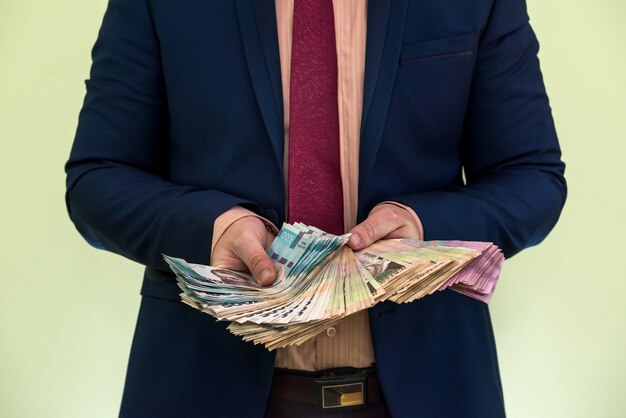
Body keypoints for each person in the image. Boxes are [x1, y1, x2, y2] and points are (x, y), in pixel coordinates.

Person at [65, 0, 566, 417]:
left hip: (430, 390)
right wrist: (213, 227)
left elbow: (532, 177)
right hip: (200, 387)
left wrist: (422, 224)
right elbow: (98, 177)